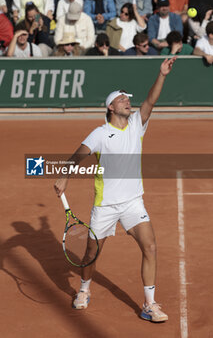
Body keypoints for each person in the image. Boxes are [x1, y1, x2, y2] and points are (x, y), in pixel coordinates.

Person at [54, 56, 177, 322]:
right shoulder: (99, 134)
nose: (127, 102)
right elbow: (78, 155)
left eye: (127, 99)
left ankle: (149, 304)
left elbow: (151, 101)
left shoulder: (136, 125)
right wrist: (64, 175)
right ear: (111, 107)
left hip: (133, 202)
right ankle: (84, 290)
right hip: (106, 204)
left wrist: (162, 74)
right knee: (90, 253)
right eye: (122, 99)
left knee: (150, 247)